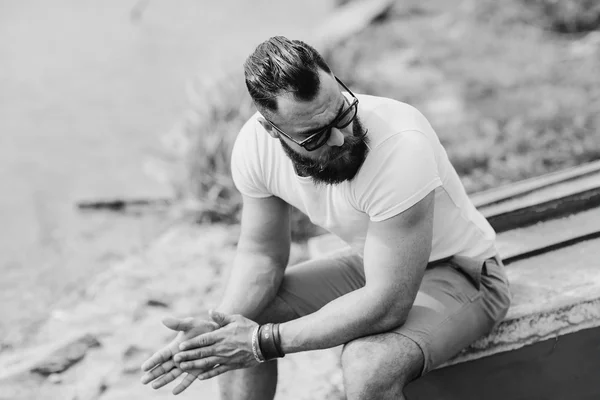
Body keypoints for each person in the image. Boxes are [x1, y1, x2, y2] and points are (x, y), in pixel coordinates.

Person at [140, 36, 511, 400]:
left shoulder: (401, 144)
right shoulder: (253, 148)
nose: (339, 138)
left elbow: (388, 305)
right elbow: (261, 255)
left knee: (368, 364)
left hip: (464, 273)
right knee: (237, 323)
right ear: (272, 129)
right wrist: (216, 327)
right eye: (314, 135)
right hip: (375, 261)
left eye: (342, 112)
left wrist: (261, 342)